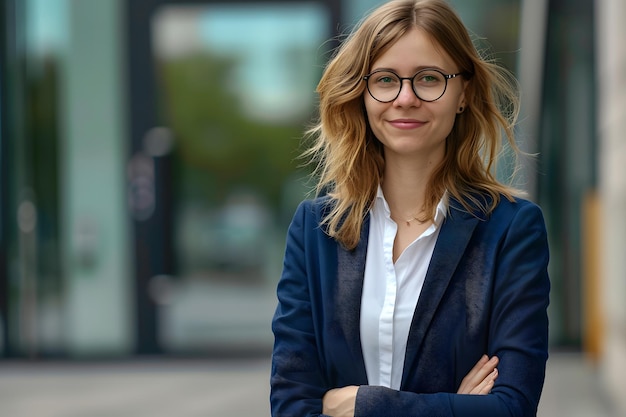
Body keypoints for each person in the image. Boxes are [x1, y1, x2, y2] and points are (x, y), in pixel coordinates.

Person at [270, 0, 550, 415]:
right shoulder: (315, 228)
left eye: (429, 78)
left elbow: (511, 407)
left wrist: (363, 404)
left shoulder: (511, 230)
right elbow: (292, 403)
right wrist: (455, 407)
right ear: (361, 93)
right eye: (385, 79)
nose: (405, 98)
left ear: (463, 94)